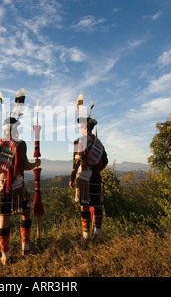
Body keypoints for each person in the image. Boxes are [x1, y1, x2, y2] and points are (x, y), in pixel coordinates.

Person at [0, 116, 41, 265]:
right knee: (25, 212)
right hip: (16, 184)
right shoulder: (20, 144)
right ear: (15, 129)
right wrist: (36, 163)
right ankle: (26, 248)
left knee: (4, 217)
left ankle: (5, 256)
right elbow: (24, 165)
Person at [69, 102, 108, 242]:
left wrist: (72, 177)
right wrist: (96, 169)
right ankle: (98, 235)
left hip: (84, 176)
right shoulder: (99, 143)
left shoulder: (79, 141)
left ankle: (86, 236)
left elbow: (77, 161)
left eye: (81, 126)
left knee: (84, 206)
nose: (80, 128)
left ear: (85, 127)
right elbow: (105, 160)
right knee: (96, 204)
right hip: (96, 176)